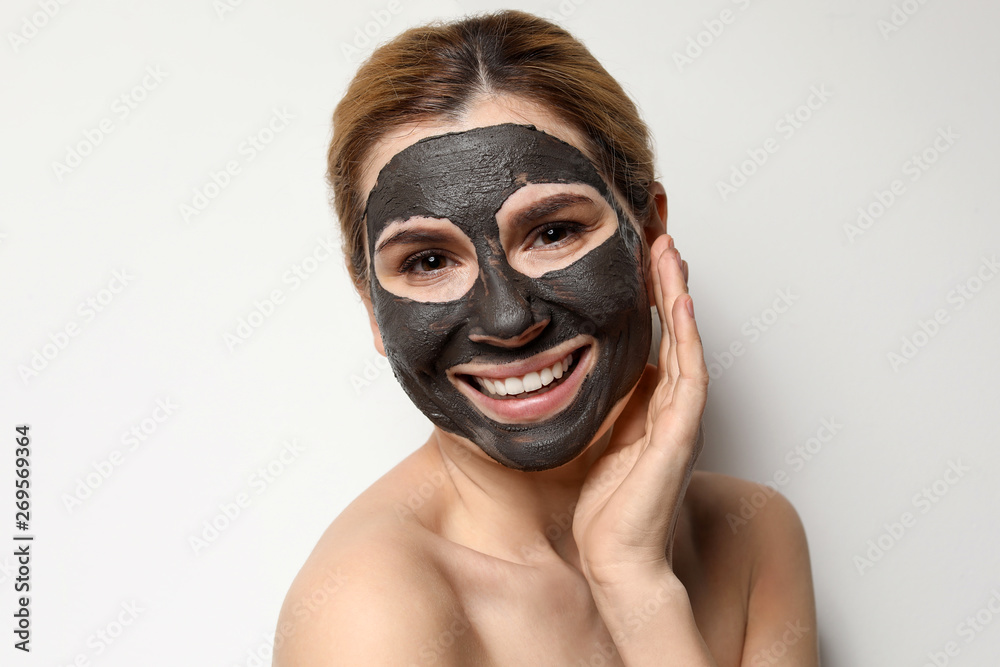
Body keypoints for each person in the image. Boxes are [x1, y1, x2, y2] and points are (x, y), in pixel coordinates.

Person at [275, 10, 818, 666]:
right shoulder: (367, 611)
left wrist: (633, 580)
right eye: (426, 261)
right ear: (371, 305)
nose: (508, 319)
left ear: (646, 238)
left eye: (553, 231)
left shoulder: (753, 534)